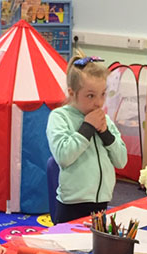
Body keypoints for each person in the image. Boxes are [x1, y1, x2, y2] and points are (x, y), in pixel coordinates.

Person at [46, 56, 127, 223]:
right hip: (71, 205)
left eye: (103, 94)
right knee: (67, 249)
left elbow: (121, 161)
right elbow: (63, 156)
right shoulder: (60, 117)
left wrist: (105, 133)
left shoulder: (105, 120)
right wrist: (87, 128)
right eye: (90, 96)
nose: (99, 103)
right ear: (72, 93)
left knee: (96, 248)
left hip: (101, 203)